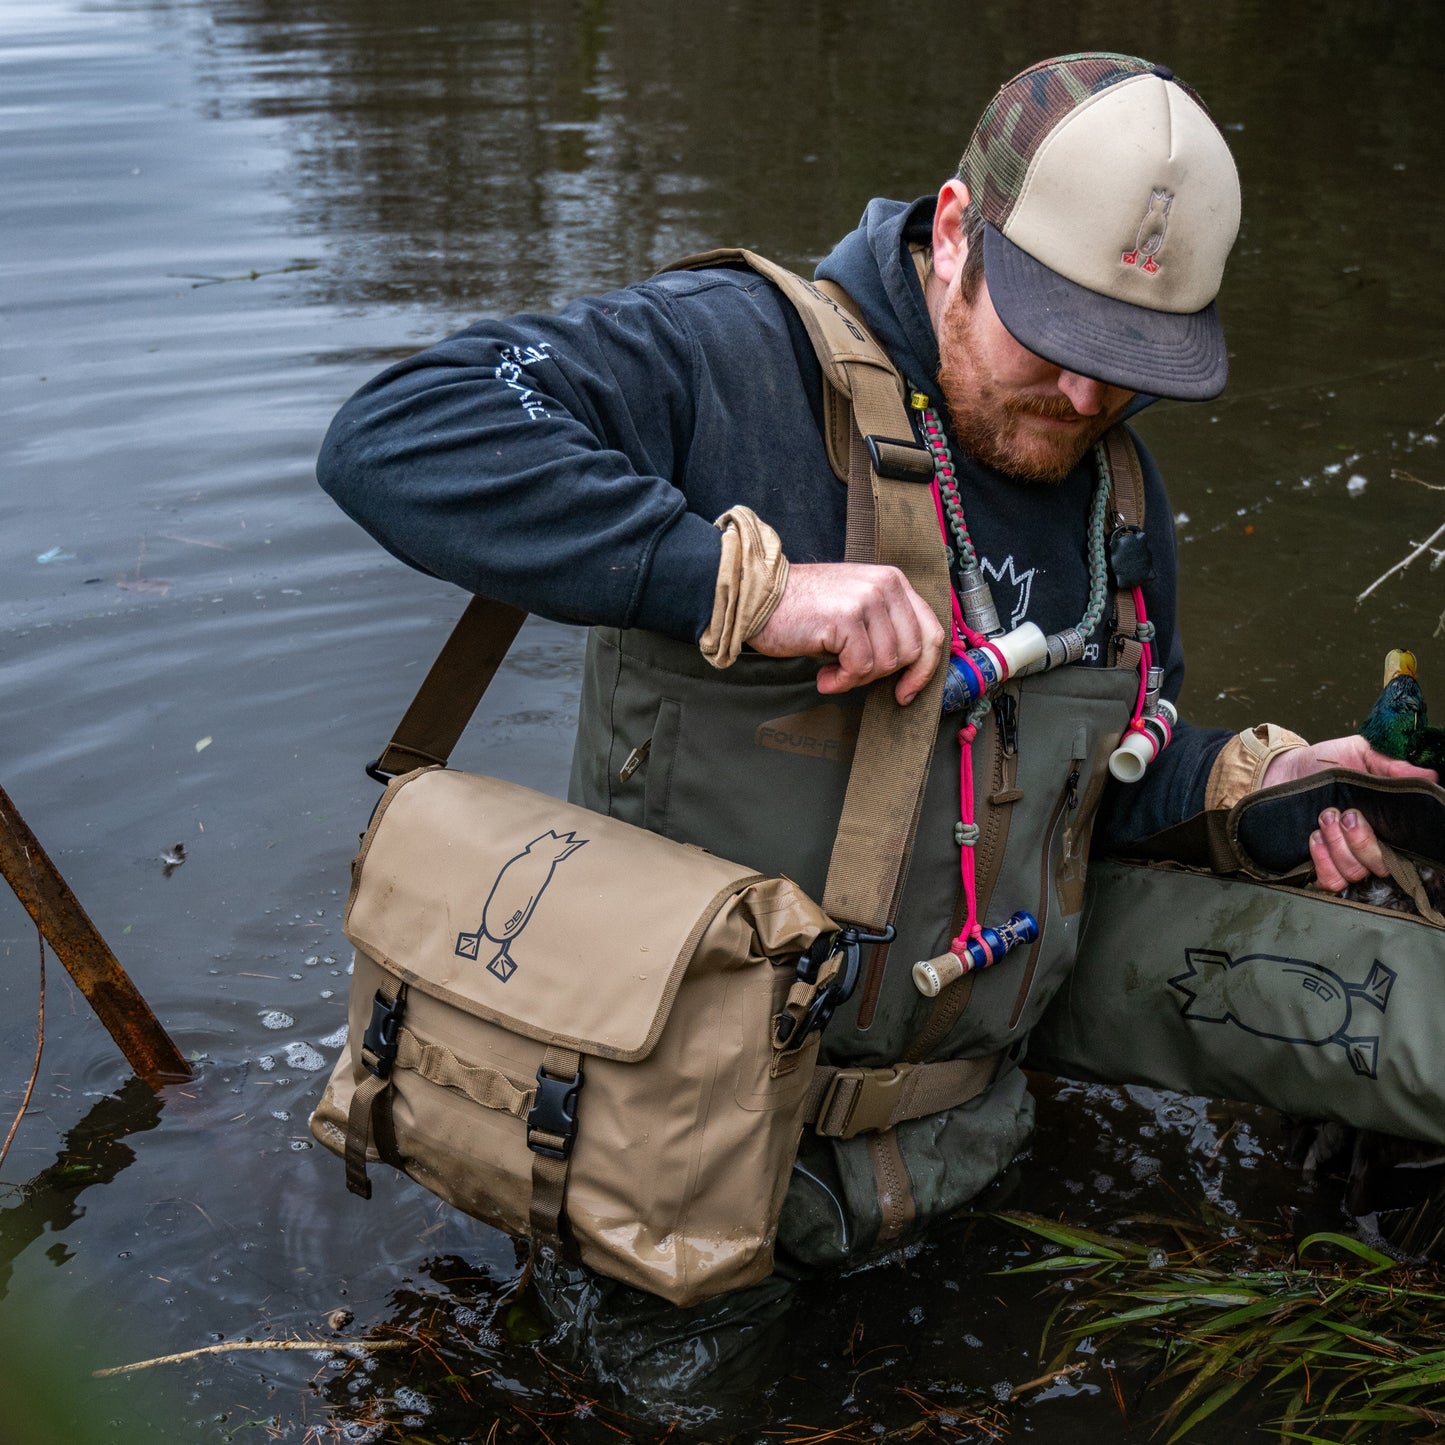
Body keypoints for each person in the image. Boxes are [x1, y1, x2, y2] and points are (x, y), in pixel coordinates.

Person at [317, 52, 1437, 1391]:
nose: (1088, 403)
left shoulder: (1115, 499)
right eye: (1061, 340)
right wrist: (747, 584)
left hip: (968, 1169)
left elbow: (1086, 786)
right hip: (675, 1198)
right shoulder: (731, 356)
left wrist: (1244, 783)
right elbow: (395, 434)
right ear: (957, 229)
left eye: (1131, 366)